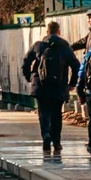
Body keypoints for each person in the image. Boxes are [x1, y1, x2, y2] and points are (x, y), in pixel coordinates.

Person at [31, 21, 79, 156]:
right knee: (56, 115)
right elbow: (76, 66)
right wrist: (72, 84)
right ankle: (56, 142)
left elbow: (26, 61)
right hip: (59, 87)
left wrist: (31, 77)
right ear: (59, 32)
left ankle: (46, 135)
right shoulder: (65, 47)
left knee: (43, 114)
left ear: (47, 32)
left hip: (41, 87)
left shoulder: (38, 46)